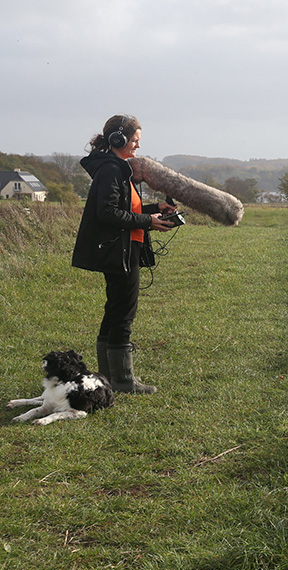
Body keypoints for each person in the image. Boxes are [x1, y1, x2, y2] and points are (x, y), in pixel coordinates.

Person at [71, 114, 176, 394]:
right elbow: (107, 213)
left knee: (115, 310)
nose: (138, 147)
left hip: (123, 247)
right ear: (118, 139)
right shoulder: (112, 169)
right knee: (123, 313)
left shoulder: (115, 167)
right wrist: (148, 222)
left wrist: (155, 209)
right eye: (135, 140)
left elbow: (124, 208)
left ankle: (107, 377)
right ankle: (122, 380)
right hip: (119, 251)